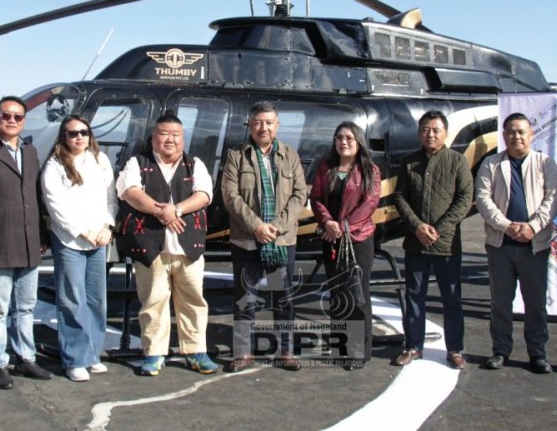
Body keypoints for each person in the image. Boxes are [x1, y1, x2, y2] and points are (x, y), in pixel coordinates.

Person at [115, 113, 218, 376]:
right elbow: (129, 192)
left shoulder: (195, 164)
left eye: (176, 135)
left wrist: (176, 211)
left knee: (194, 301)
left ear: (183, 139)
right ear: (153, 137)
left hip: (188, 250)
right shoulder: (137, 162)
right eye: (164, 133)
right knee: (153, 302)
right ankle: (154, 354)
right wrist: (160, 212)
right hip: (151, 249)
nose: (169, 139)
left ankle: (196, 352)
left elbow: (204, 195)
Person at [0, 96, 53, 389]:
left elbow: (35, 199)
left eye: (18, 116)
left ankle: (25, 357)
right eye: (6, 115)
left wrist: (41, 234)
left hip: (29, 242)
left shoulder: (30, 152)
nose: (12, 120)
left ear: (24, 121)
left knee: (26, 307)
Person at [221, 101, 308, 373]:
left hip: (281, 242)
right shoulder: (236, 155)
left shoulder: (290, 156)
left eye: (269, 122)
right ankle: (243, 352)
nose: (263, 127)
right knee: (245, 297)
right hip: (247, 240)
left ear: (277, 125)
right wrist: (256, 226)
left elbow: (299, 195)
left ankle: (286, 350)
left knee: (283, 297)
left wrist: (277, 227)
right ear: (249, 124)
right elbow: (230, 196)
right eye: (258, 122)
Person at [474, 112, 557, 373]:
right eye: (511, 132)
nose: (516, 136)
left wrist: (533, 226)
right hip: (500, 244)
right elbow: (483, 199)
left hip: (534, 245)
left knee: (535, 303)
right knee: (500, 302)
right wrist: (507, 226)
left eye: (521, 131)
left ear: (531, 135)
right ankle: (500, 351)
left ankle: (538, 353)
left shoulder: (546, 163)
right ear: (504, 136)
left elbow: (553, 199)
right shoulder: (490, 164)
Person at [392, 110, 473, 369]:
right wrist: (417, 226)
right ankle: (413, 346)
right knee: (415, 295)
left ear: (446, 133)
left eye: (436, 130)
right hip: (416, 243)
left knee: (452, 297)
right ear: (419, 133)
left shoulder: (458, 162)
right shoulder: (409, 162)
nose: (430, 134)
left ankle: (455, 349)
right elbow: (400, 197)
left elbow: (464, 200)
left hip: (446, 243)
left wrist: (439, 228)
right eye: (426, 129)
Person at [41, 115, 117, 382]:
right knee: (72, 299)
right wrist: (83, 231)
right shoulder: (55, 165)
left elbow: (110, 198)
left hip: (99, 239)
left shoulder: (100, 160)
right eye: (73, 133)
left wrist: (107, 227)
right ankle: (75, 358)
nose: (79, 137)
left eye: (83, 132)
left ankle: (93, 353)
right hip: (70, 240)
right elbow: (55, 205)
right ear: (64, 136)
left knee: (97, 299)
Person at [309, 122, 381, 370]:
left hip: (357, 239)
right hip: (331, 238)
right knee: (338, 294)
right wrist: (328, 222)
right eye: (339, 137)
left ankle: (359, 352)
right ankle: (341, 349)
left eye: (349, 138)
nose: (344, 142)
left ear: (359, 141)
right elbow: (316, 198)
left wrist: (344, 226)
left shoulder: (369, 169)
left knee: (357, 294)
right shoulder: (325, 168)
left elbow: (369, 203)